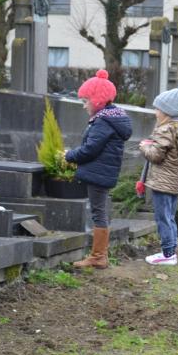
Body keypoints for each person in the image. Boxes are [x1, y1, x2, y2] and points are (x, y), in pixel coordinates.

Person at [66, 70, 133, 270]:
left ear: (97, 100)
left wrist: (69, 155)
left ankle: (98, 256)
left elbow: (90, 149)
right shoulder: (111, 117)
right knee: (99, 211)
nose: (84, 105)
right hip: (102, 171)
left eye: (86, 100)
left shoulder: (103, 121)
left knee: (98, 212)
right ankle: (99, 255)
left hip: (98, 172)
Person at [139, 83, 178, 266]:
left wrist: (144, 147)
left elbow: (156, 156)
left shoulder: (165, 129)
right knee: (170, 217)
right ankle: (170, 251)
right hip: (175, 182)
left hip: (162, 182)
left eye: (157, 109)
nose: (155, 112)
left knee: (162, 218)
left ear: (166, 111)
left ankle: (167, 254)